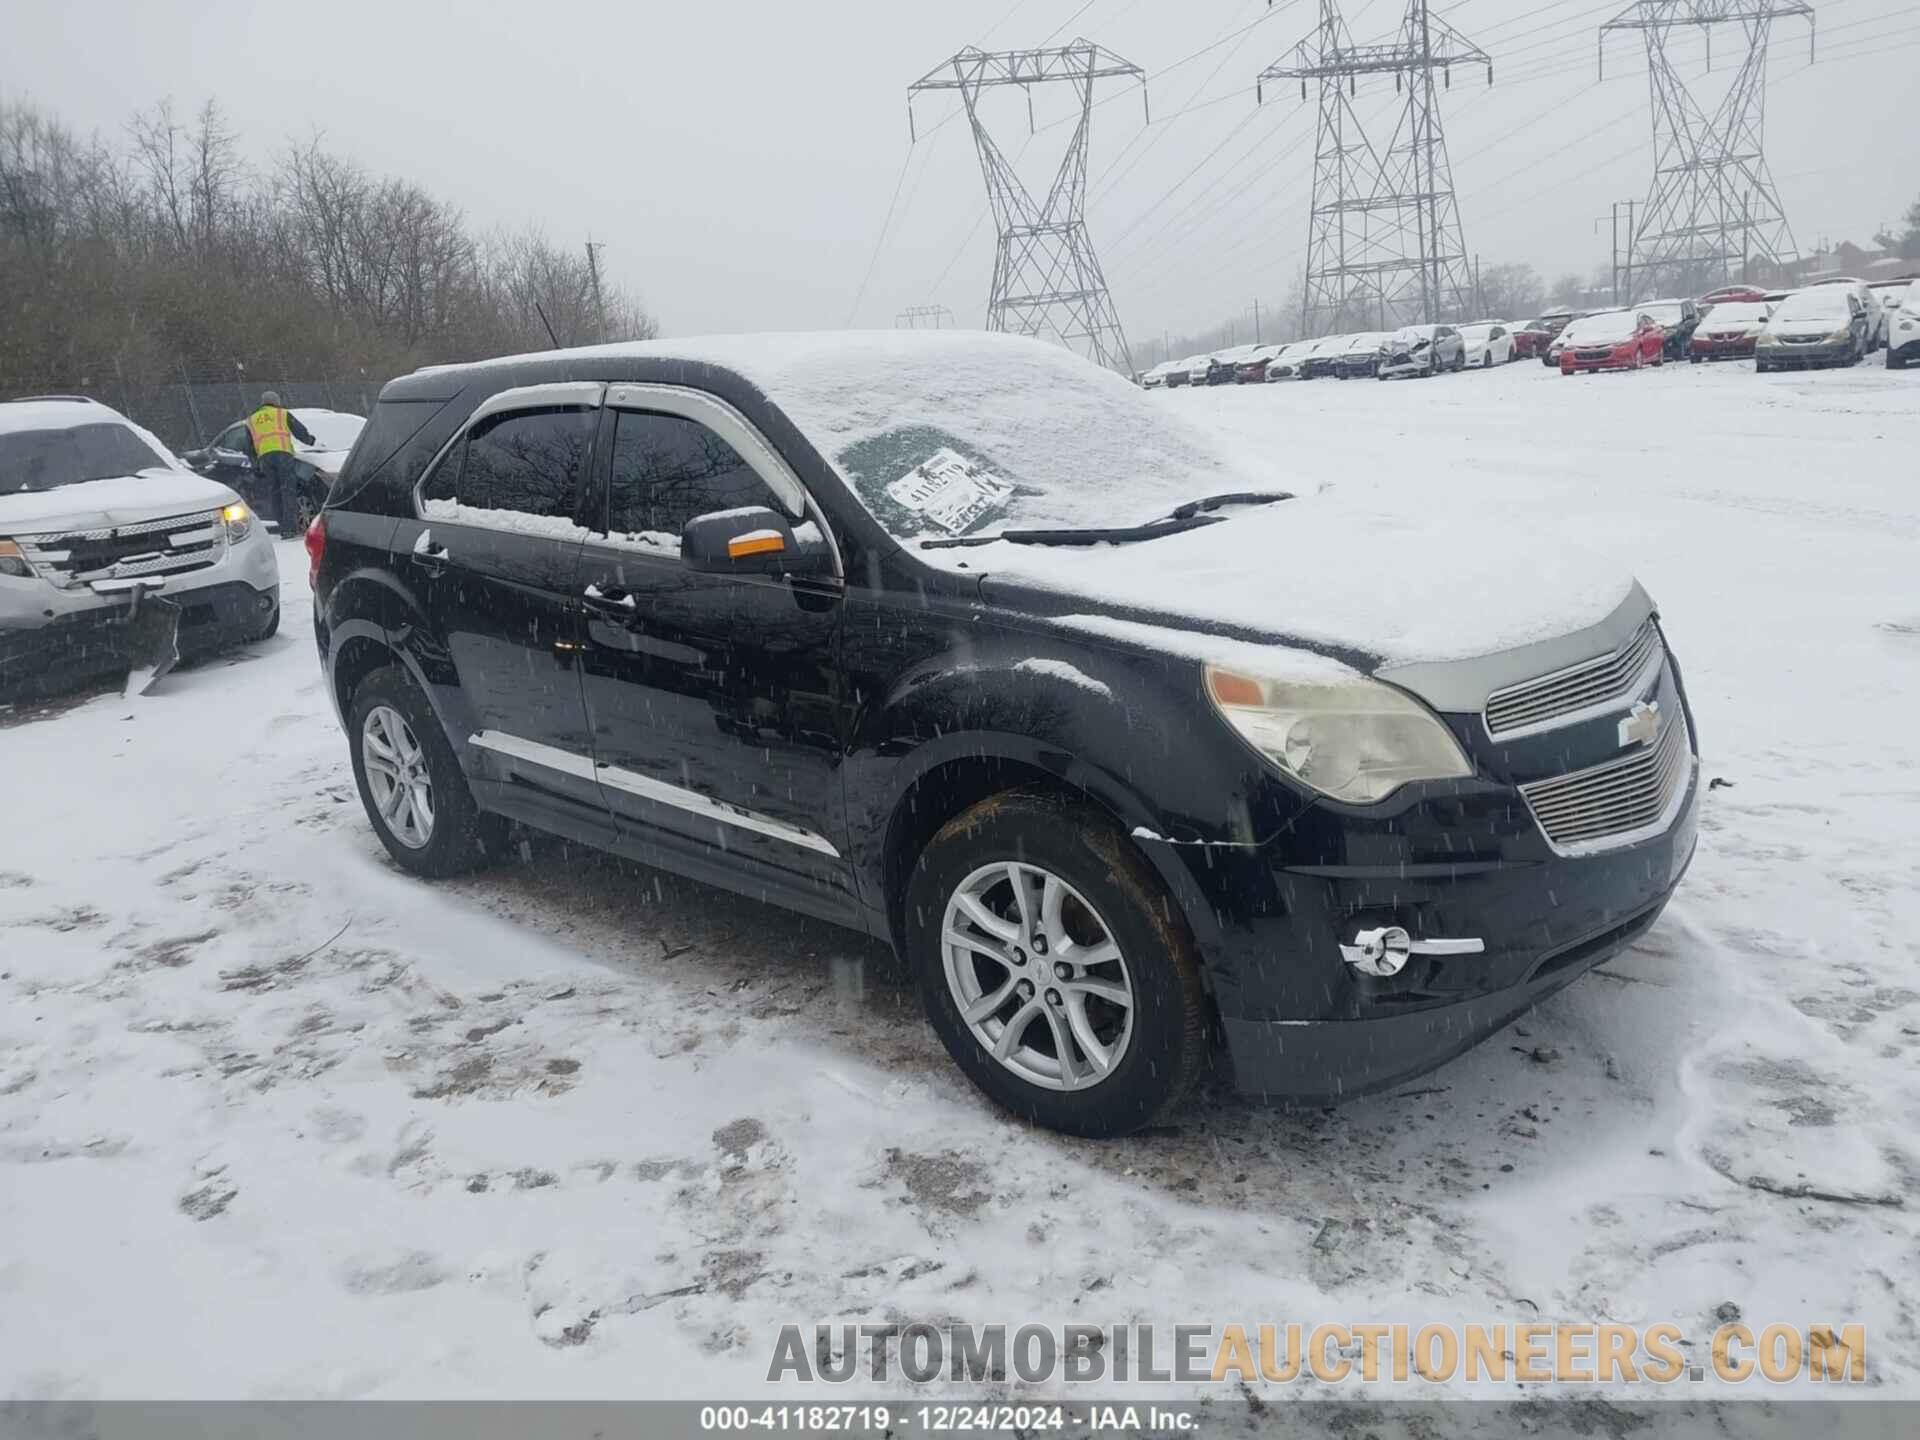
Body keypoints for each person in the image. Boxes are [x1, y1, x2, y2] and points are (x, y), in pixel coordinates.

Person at [244, 391, 316, 536]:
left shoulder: (251, 420)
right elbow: (299, 430)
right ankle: (289, 529)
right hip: (283, 455)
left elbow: (249, 446)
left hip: (265, 459)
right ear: (276, 402)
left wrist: (255, 464)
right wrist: (309, 440)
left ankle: (283, 526)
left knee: (275, 493)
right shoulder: (282, 414)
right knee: (288, 491)